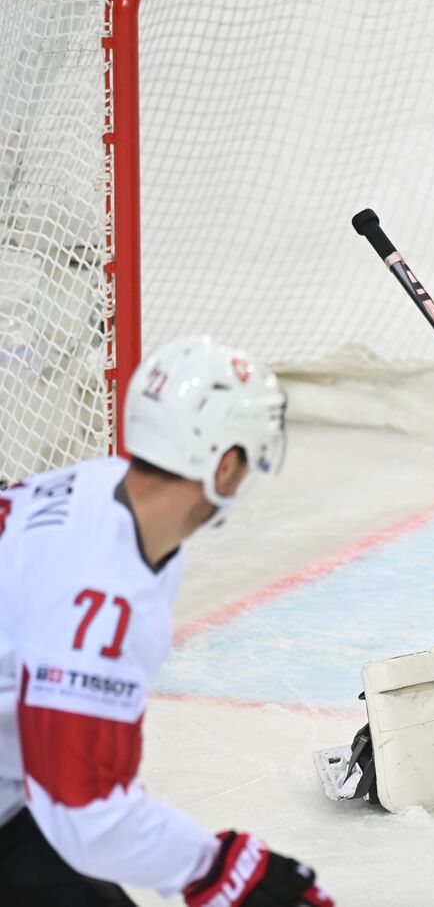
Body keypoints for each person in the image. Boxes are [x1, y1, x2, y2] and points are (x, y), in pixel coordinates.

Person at [0, 336, 332, 907]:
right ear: (225, 465)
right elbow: (84, 809)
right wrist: (222, 872)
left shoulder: (101, 486)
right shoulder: (100, 591)